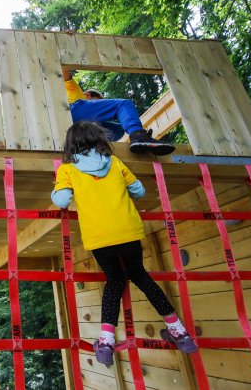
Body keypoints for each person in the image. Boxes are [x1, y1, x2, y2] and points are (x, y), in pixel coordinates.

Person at [51, 121, 197, 367]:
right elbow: (138, 191)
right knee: (141, 276)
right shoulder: (115, 163)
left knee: (115, 281)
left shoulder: (68, 169)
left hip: (100, 236)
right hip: (129, 231)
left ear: (71, 143)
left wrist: (57, 191)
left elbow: (62, 200)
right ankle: (180, 332)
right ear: (99, 139)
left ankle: (106, 342)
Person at [62, 69, 174, 156]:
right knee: (123, 104)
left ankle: (91, 147)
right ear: (88, 95)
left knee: (119, 129)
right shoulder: (75, 92)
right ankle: (139, 136)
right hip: (71, 113)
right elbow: (63, 71)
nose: (102, 106)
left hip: (73, 133)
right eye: (99, 102)